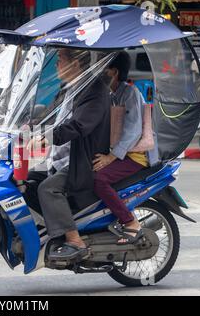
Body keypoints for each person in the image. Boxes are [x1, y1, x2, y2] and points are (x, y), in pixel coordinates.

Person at [26, 48, 111, 261]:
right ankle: (50, 231)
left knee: (48, 189)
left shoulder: (94, 90)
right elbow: (49, 116)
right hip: (61, 157)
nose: (56, 65)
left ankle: (75, 241)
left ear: (75, 64)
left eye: (60, 60)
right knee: (26, 181)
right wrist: (27, 128)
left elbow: (80, 125)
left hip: (82, 160)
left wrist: (50, 136)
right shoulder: (69, 88)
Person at [92, 51, 159, 244]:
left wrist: (110, 158)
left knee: (100, 179)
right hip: (120, 152)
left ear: (113, 72)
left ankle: (130, 222)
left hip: (135, 156)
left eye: (102, 68)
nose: (98, 73)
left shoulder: (130, 93)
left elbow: (132, 132)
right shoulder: (111, 94)